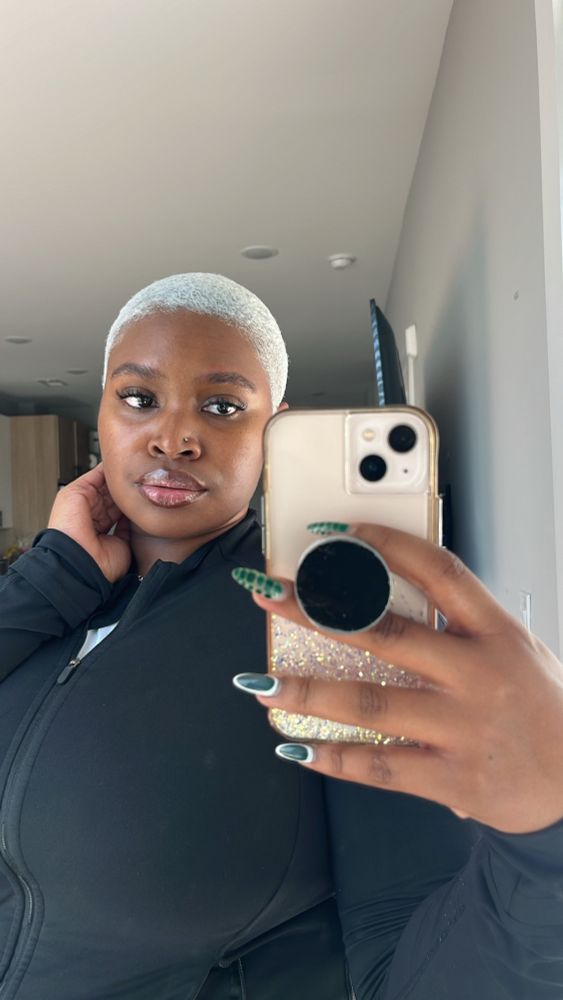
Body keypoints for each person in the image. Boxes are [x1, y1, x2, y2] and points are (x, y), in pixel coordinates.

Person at [0, 272, 561, 1000]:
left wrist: (545, 847)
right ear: (103, 408)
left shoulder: (325, 631)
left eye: (222, 406)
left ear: (274, 429)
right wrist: (50, 578)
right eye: (138, 397)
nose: (172, 437)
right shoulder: (50, 592)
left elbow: (409, 975)